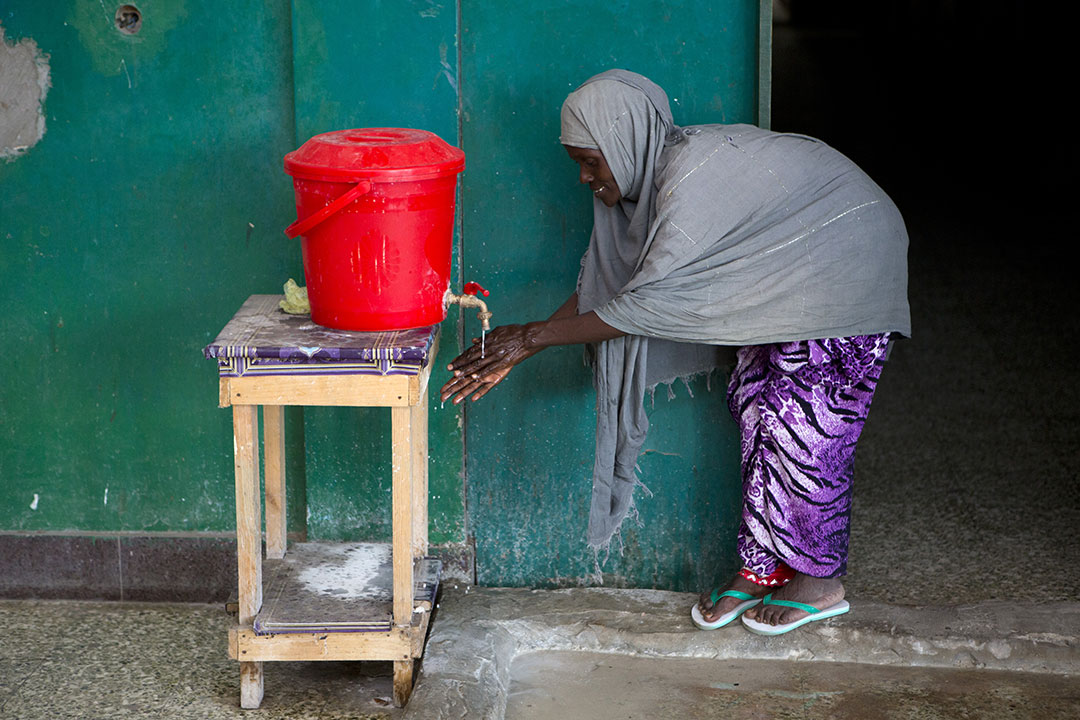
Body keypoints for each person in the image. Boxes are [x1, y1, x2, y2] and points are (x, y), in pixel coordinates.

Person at [440, 70, 910, 635]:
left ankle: (820, 580)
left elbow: (643, 305)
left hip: (847, 262)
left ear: (623, 141)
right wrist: (526, 339)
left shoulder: (686, 181)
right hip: (786, 278)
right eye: (579, 165)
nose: (585, 178)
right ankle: (765, 566)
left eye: (592, 161)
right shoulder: (644, 193)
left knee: (805, 425)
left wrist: (530, 339)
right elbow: (611, 290)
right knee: (758, 405)